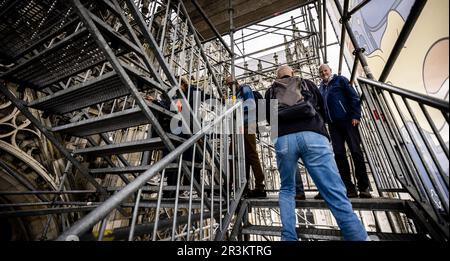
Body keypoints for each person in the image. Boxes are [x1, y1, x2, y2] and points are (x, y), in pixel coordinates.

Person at [265, 65, 368, 241]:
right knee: (332, 188)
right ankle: (357, 236)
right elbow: (321, 107)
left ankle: (288, 238)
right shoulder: (307, 83)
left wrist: (279, 133)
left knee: (287, 189)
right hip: (312, 134)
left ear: (276, 77)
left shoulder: (269, 91)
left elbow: (266, 119)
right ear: (293, 74)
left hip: (283, 139)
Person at [318, 64, 372, 198]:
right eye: (321, 72)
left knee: (356, 152)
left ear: (330, 70)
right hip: (333, 124)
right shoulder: (321, 87)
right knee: (339, 155)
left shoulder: (340, 80)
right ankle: (349, 188)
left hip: (348, 120)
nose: (323, 73)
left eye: (325, 70)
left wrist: (355, 115)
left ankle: (364, 187)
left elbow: (353, 97)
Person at [225, 76, 266, 198]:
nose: (228, 87)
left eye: (230, 84)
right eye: (227, 86)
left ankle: (260, 186)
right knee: (234, 155)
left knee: (252, 155)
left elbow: (251, 105)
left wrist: (233, 107)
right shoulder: (235, 94)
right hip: (238, 127)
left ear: (235, 82)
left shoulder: (245, 88)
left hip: (249, 124)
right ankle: (239, 186)